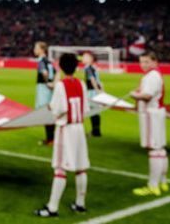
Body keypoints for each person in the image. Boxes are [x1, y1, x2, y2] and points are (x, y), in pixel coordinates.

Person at [35, 53, 90, 218]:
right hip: (79, 128)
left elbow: (57, 108)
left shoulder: (60, 85)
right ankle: (80, 204)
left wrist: (52, 109)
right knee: (81, 168)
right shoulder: (81, 84)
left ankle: (52, 208)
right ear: (76, 66)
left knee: (60, 168)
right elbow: (86, 109)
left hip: (65, 129)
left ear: (60, 66)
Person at [130, 52, 169, 196]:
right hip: (157, 112)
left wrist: (135, 95)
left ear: (154, 61)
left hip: (151, 114)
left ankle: (153, 185)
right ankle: (163, 181)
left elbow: (147, 96)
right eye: (141, 62)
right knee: (160, 149)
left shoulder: (152, 76)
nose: (143, 65)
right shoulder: (156, 74)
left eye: (146, 62)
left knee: (153, 149)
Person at [34, 41, 56, 145]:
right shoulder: (49, 61)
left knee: (46, 112)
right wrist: (54, 83)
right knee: (50, 111)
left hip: (44, 88)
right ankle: (52, 137)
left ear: (42, 50)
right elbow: (57, 72)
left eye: (36, 48)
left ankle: (50, 138)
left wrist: (47, 83)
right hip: (50, 89)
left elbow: (44, 73)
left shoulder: (41, 61)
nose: (34, 49)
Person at [82, 52, 103, 137]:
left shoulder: (88, 68)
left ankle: (95, 132)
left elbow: (92, 79)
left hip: (92, 92)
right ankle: (96, 131)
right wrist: (101, 90)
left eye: (85, 57)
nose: (83, 58)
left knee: (93, 111)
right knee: (96, 111)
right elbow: (99, 81)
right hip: (95, 91)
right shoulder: (93, 68)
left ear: (91, 59)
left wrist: (97, 90)